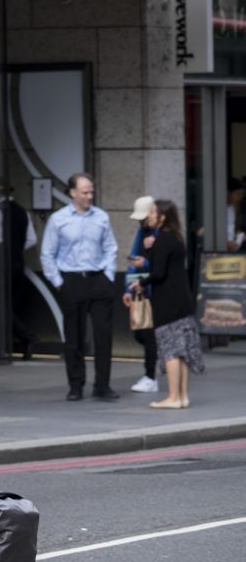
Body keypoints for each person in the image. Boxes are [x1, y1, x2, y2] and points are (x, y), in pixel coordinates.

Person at [39, 173, 120, 401]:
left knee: (103, 335)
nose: (89, 196)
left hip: (98, 279)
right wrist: (59, 283)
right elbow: (47, 254)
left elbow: (110, 248)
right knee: (74, 337)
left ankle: (102, 385)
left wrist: (109, 274)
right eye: (85, 192)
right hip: (72, 280)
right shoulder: (58, 219)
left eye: (91, 191)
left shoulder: (101, 217)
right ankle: (76, 385)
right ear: (72, 193)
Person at [136, 199, 202, 409]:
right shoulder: (176, 238)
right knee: (181, 351)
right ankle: (182, 396)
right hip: (182, 300)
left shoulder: (162, 240)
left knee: (171, 350)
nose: (150, 215)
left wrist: (141, 283)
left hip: (168, 302)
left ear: (162, 217)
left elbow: (158, 272)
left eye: (154, 212)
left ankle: (173, 397)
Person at [0, 178, 38, 359]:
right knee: (13, 304)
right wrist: (16, 248)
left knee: (2, 305)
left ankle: (25, 336)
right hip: (18, 263)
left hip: (2, 265)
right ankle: (20, 339)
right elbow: (32, 239)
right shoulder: (22, 211)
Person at [122, 196, 159, 394]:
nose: (142, 222)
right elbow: (133, 259)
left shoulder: (161, 234)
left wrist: (144, 263)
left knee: (148, 334)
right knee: (141, 333)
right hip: (141, 289)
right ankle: (152, 370)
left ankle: (150, 375)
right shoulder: (141, 233)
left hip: (155, 290)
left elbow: (162, 265)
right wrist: (128, 289)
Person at [228, 177, 243, 252]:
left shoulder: (232, 207)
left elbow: (230, 228)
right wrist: (227, 243)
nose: (239, 197)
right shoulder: (219, 210)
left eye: (240, 194)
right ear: (228, 192)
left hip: (231, 248)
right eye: (237, 194)